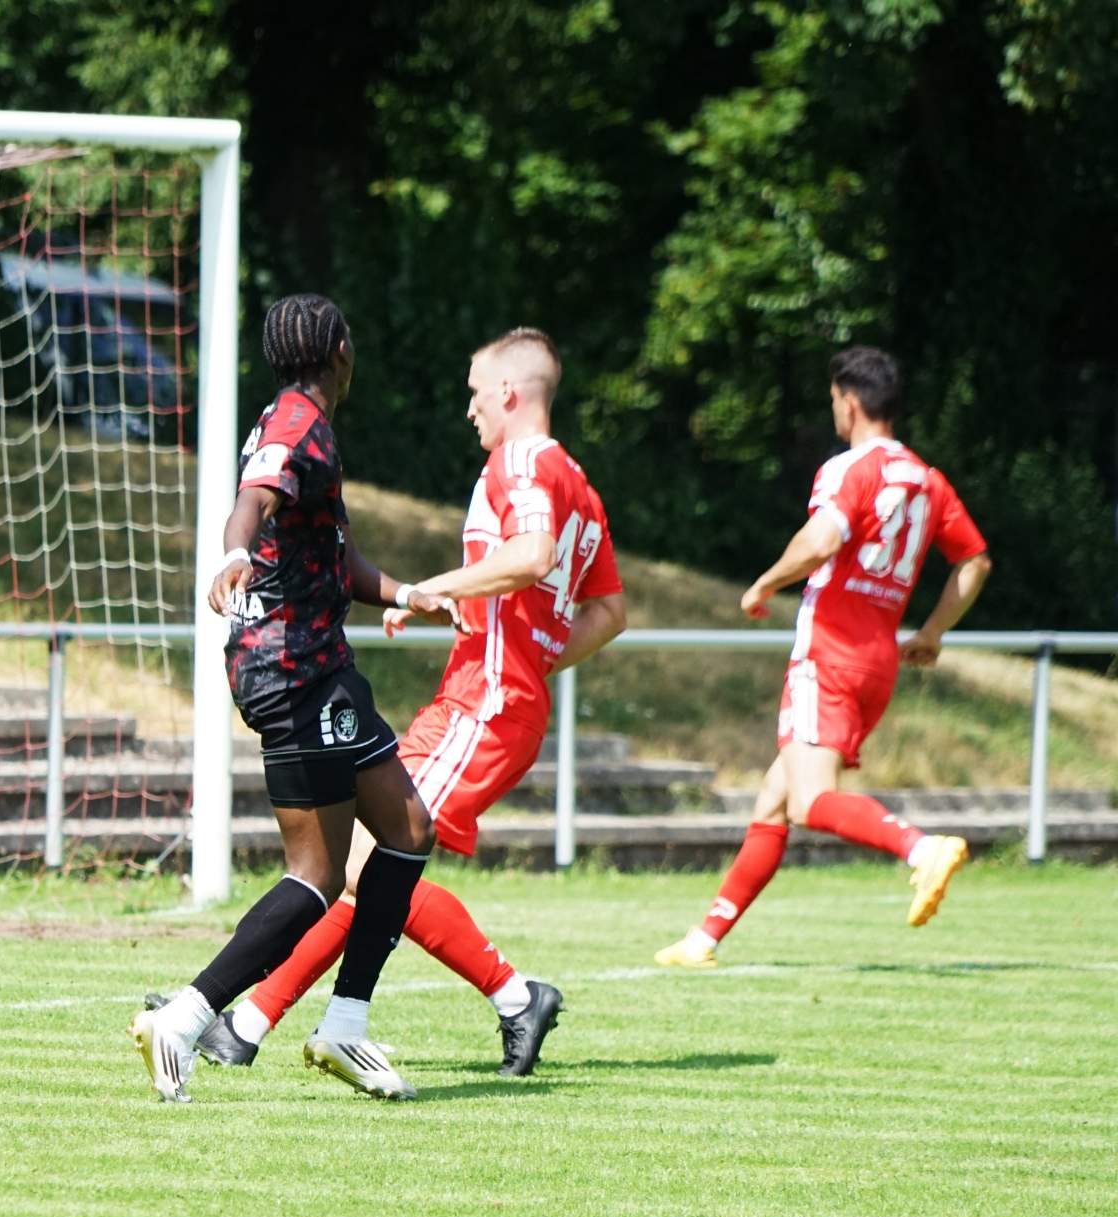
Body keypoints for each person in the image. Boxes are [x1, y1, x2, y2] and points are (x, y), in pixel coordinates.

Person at [191, 328, 625, 1078]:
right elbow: (608, 614)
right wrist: (530, 660)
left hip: (485, 703)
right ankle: (250, 1023)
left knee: (377, 855)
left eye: (476, 394)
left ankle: (511, 996)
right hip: (494, 699)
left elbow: (530, 556)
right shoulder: (579, 482)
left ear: (509, 393)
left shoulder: (521, 459)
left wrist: (435, 591)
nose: (470, 410)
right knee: (372, 859)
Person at [129, 294, 452, 1102]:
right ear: (341, 351)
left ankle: (345, 1026)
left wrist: (408, 594)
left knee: (409, 830)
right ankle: (186, 1018)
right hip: (295, 672)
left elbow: (335, 557)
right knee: (316, 875)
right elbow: (254, 499)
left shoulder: (305, 423)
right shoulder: (296, 425)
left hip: (320, 667)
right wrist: (232, 553)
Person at [656, 347, 991, 968]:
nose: (834, 410)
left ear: (851, 403)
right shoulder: (927, 480)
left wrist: (765, 583)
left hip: (828, 655)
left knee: (810, 800)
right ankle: (703, 940)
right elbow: (975, 561)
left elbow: (822, 539)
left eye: (835, 400)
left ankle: (922, 850)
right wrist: (932, 632)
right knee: (775, 799)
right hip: (878, 663)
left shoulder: (849, 468)